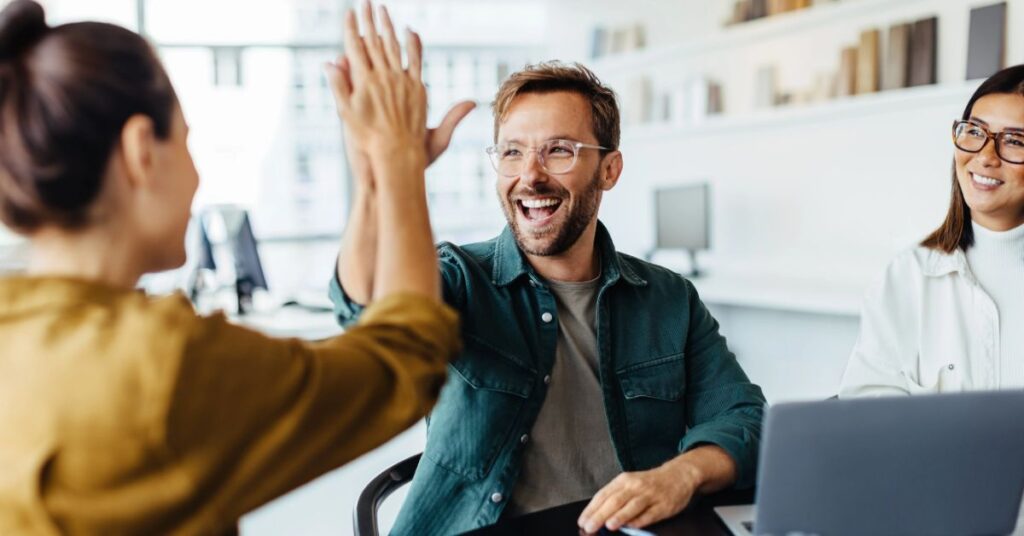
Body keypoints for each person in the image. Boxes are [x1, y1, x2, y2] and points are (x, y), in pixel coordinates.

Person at [0, 1, 460, 534]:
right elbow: (404, 361)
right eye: (188, 141)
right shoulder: (160, 365)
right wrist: (398, 157)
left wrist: (380, 179)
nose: (198, 178)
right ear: (141, 150)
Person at [331, 41, 767, 534]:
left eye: (559, 150)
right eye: (512, 152)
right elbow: (364, 305)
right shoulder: (458, 278)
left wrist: (682, 474)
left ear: (609, 170)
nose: (530, 176)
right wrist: (378, 176)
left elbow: (746, 419)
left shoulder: (669, 299)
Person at [840, 65, 1024, 397]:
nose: (984, 156)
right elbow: (868, 415)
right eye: (975, 132)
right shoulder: (906, 277)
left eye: (1014, 140)